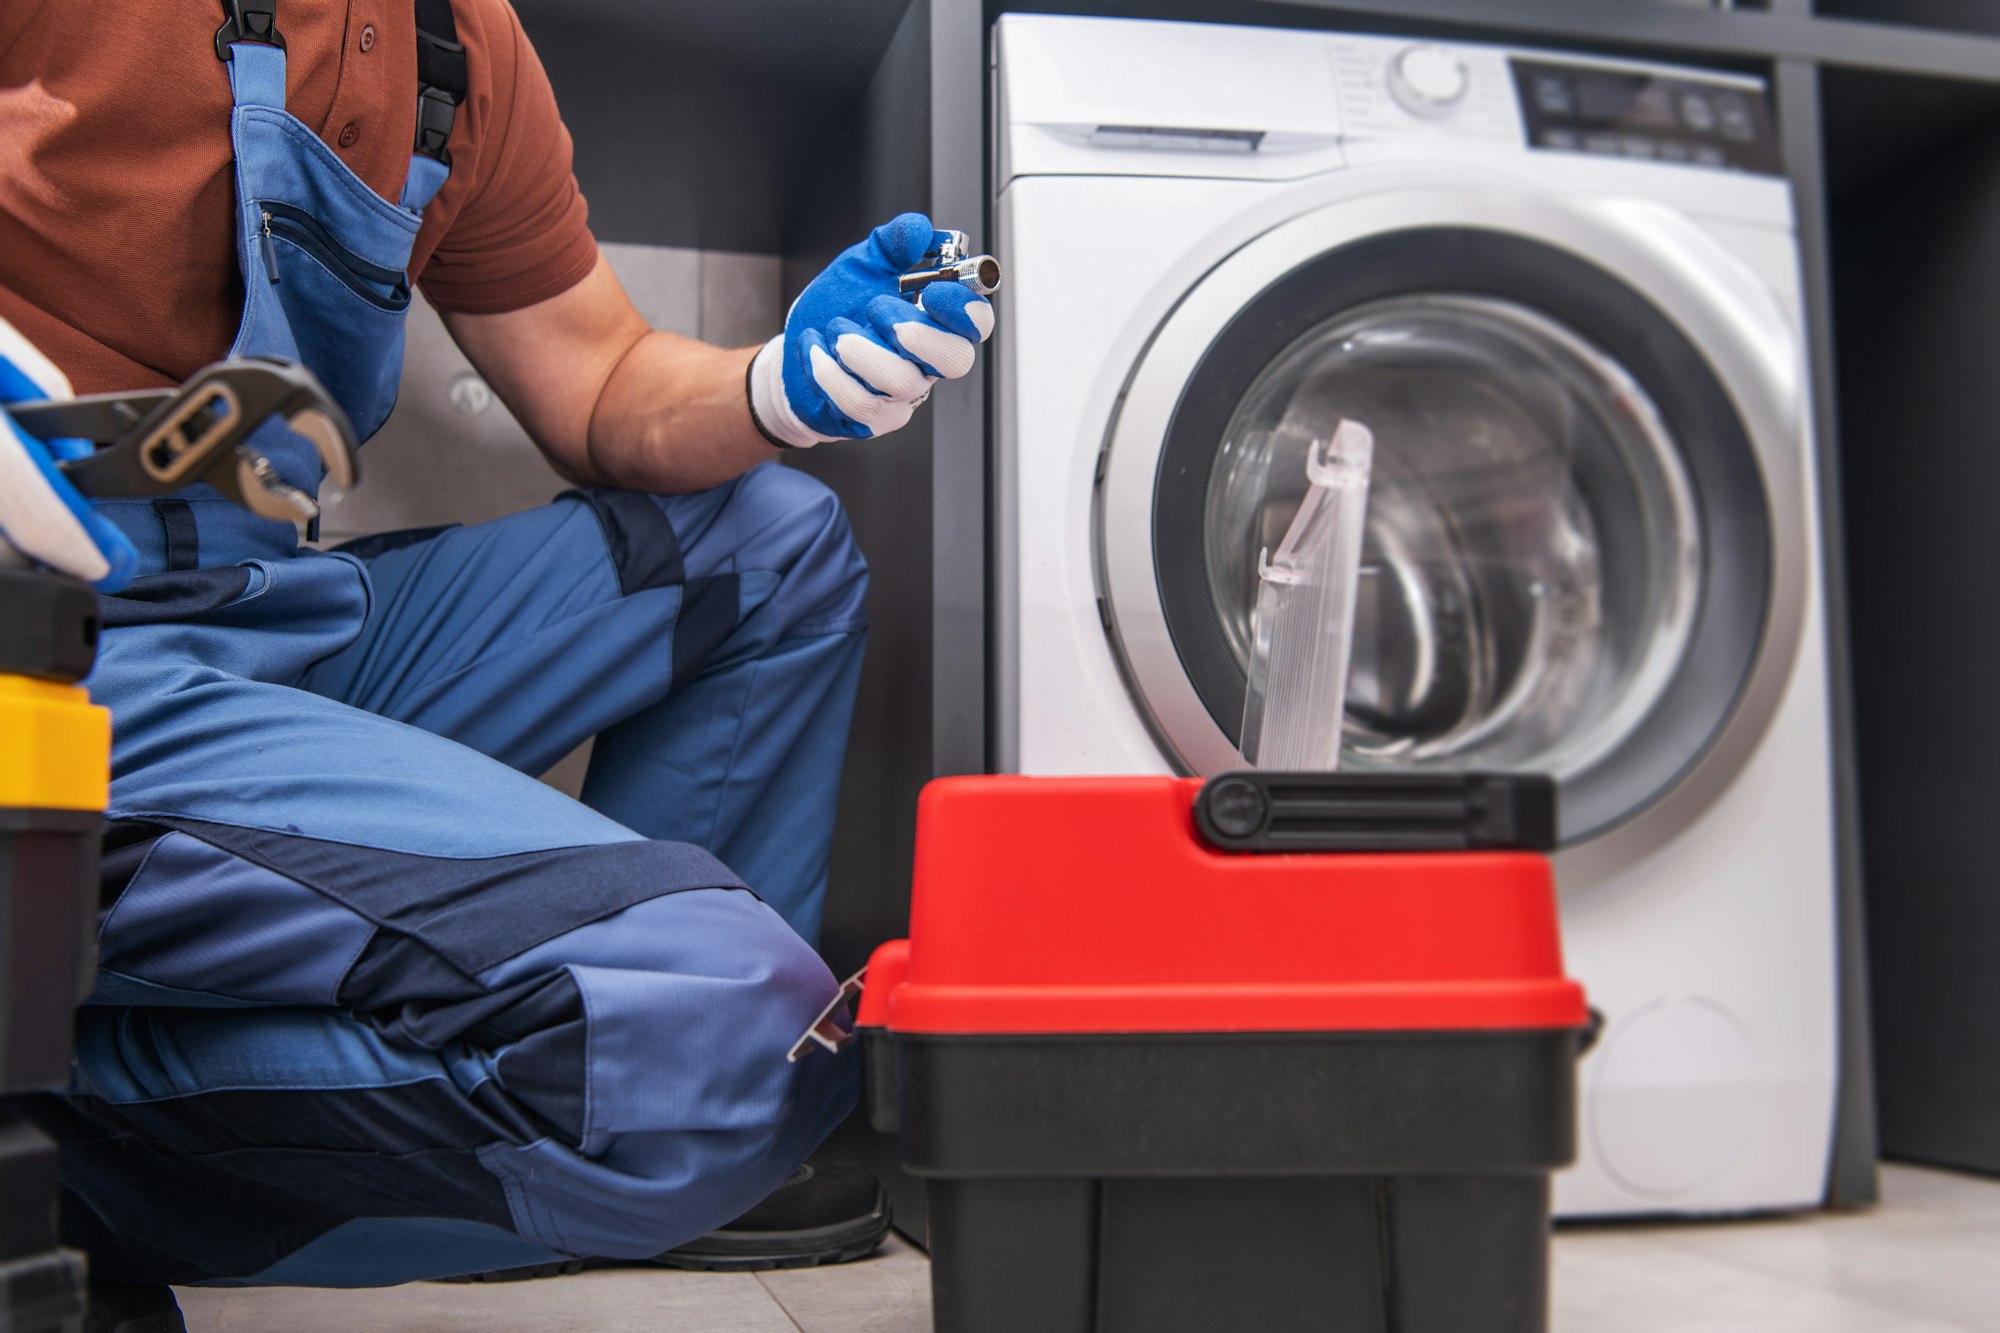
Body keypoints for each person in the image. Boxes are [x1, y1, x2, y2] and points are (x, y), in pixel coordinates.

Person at [0, 0, 992, 1303]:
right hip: (47, 662)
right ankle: (70, 1147)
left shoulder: (455, 44)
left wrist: (768, 386)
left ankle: (640, 1121)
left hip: (258, 615)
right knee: (725, 1037)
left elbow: (601, 380)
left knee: (770, 542)